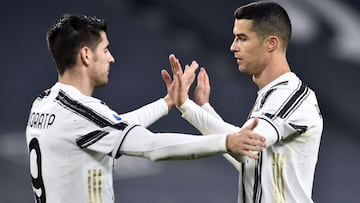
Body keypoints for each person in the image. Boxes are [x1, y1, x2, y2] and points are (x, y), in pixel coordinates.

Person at [25, 13, 267, 203]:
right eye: (106, 49)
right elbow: (153, 146)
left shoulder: (44, 103)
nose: (111, 58)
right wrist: (227, 142)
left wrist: (167, 103)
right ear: (86, 55)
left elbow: (113, 127)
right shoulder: (82, 113)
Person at [162, 1, 323, 203]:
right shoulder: (273, 95)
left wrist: (187, 107)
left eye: (242, 38)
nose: (233, 47)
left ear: (271, 43)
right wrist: (201, 108)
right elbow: (251, 160)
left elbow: (245, 148)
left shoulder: (287, 97)